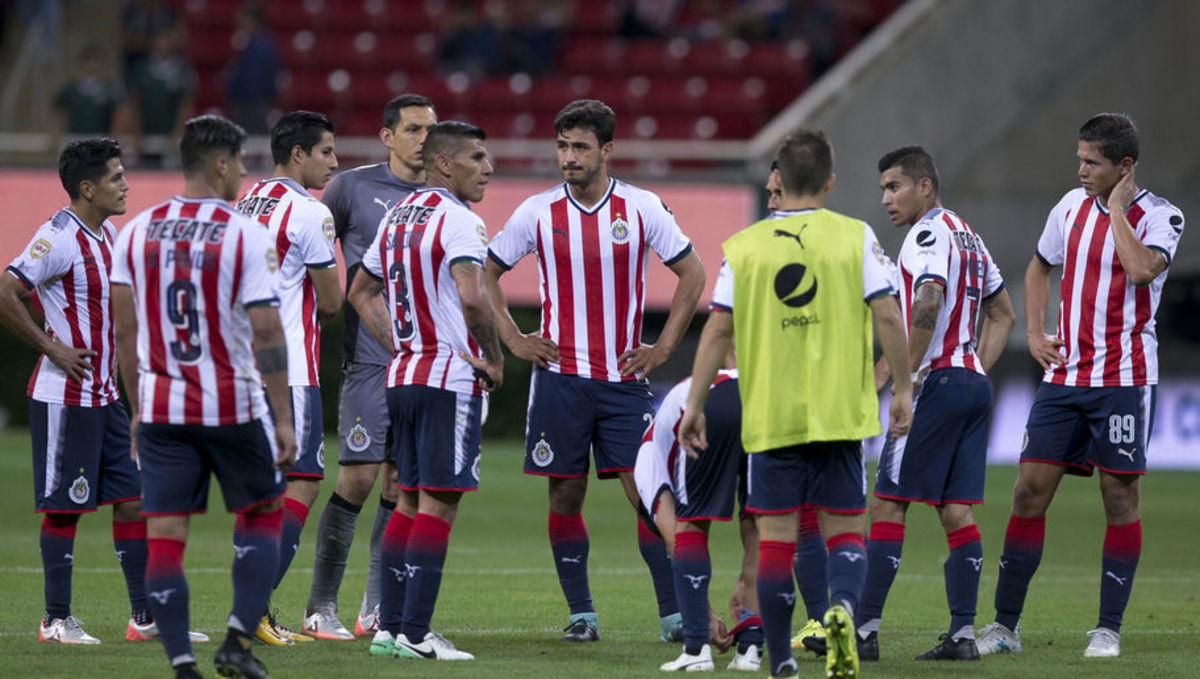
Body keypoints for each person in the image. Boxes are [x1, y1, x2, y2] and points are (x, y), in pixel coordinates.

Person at [679, 129, 913, 679]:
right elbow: (887, 315)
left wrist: (693, 403)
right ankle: (841, 611)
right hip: (839, 413)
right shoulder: (856, 237)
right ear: (830, 181)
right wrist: (902, 389)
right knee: (846, 533)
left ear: (778, 179)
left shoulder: (745, 247)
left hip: (772, 417)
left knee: (777, 540)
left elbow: (716, 331)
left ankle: (781, 657)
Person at [484, 98, 706, 643]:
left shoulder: (641, 207)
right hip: (559, 382)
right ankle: (582, 616)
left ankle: (674, 616)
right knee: (564, 496)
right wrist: (513, 338)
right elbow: (485, 274)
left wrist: (662, 350)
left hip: (624, 382)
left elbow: (694, 275)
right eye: (562, 146)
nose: (568, 157)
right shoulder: (537, 212)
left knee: (647, 492)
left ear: (607, 150)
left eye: (580, 146)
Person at [978, 113, 1185, 659]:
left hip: (1125, 377)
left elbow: (1140, 270)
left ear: (1125, 166)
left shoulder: (1163, 216)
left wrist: (1117, 209)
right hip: (1065, 377)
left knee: (1119, 497)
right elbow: (1037, 266)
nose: (1081, 170)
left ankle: (1107, 629)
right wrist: (1035, 329)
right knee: (1027, 491)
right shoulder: (1068, 208)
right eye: (1079, 159)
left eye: (1092, 162)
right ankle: (1003, 627)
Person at [109, 114, 297, 679]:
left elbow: (125, 334)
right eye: (240, 162)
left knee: (165, 535)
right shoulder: (244, 232)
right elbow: (266, 332)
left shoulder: (137, 230)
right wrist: (284, 419)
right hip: (232, 405)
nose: (243, 172)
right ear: (219, 164)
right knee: (265, 512)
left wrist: (139, 408)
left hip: (163, 408)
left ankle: (183, 666)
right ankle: (237, 642)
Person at [0, 138, 203, 647]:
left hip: (106, 396)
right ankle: (55, 621)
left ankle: (144, 617)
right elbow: (6, 292)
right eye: (115, 177)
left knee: (133, 500)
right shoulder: (58, 238)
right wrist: (52, 347)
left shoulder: (106, 234)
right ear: (87, 188)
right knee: (66, 509)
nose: (126, 185)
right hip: (65, 396)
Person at [848, 146, 1015, 662]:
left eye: (894, 186)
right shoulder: (970, 236)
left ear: (925, 186)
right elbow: (1003, 314)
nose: (885, 199)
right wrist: (975, 369)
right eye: (882, 189)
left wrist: (901, 378)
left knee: (887, 502)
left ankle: (863, 630)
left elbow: (926, 300)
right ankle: (963, 637)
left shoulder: (925, 236)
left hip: (935, 385)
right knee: (955, 509)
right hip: (971, 384)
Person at [348, 121, 504, 660]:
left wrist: (400, 342)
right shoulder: (461, 221)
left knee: (407, 501)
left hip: (404, 376)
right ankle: (416, 633)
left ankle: (391, 630)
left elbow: (360, 291)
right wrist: (493, 357)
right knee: (439, 505)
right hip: (446, 380)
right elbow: (474, 297)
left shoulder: (396, 218)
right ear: (445, 164)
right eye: (477, 158)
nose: (487, 168)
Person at [304, 93, 437, 640]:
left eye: (430, 129)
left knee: (400, 484)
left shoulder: (443, 196)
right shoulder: (350, 187)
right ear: (387, 137)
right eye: (412, 129)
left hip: (421, 364)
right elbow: (311, 240)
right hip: (368, 358)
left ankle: (376, 609)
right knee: (358, 477)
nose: (423, 138)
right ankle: (319, 608)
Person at [235, 110, 341, 644]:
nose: (334, 161)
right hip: (291, 369)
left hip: (241, 366)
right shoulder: (309, 212)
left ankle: (251, 608)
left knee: (260, 490)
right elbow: (331, 301)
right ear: (297, 154)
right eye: (326, 151)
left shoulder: (244, 202)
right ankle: (251, 608)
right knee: (302, 480)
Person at [634, 355, 765, 672]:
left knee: (690, 528)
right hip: (763, 397)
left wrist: (702, 617)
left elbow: (675, 540)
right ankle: (750, 649)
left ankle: (696, 650)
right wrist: (744, 586)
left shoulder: (645, 465)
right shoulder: (660, 435)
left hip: (708, 404)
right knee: (758, 524)